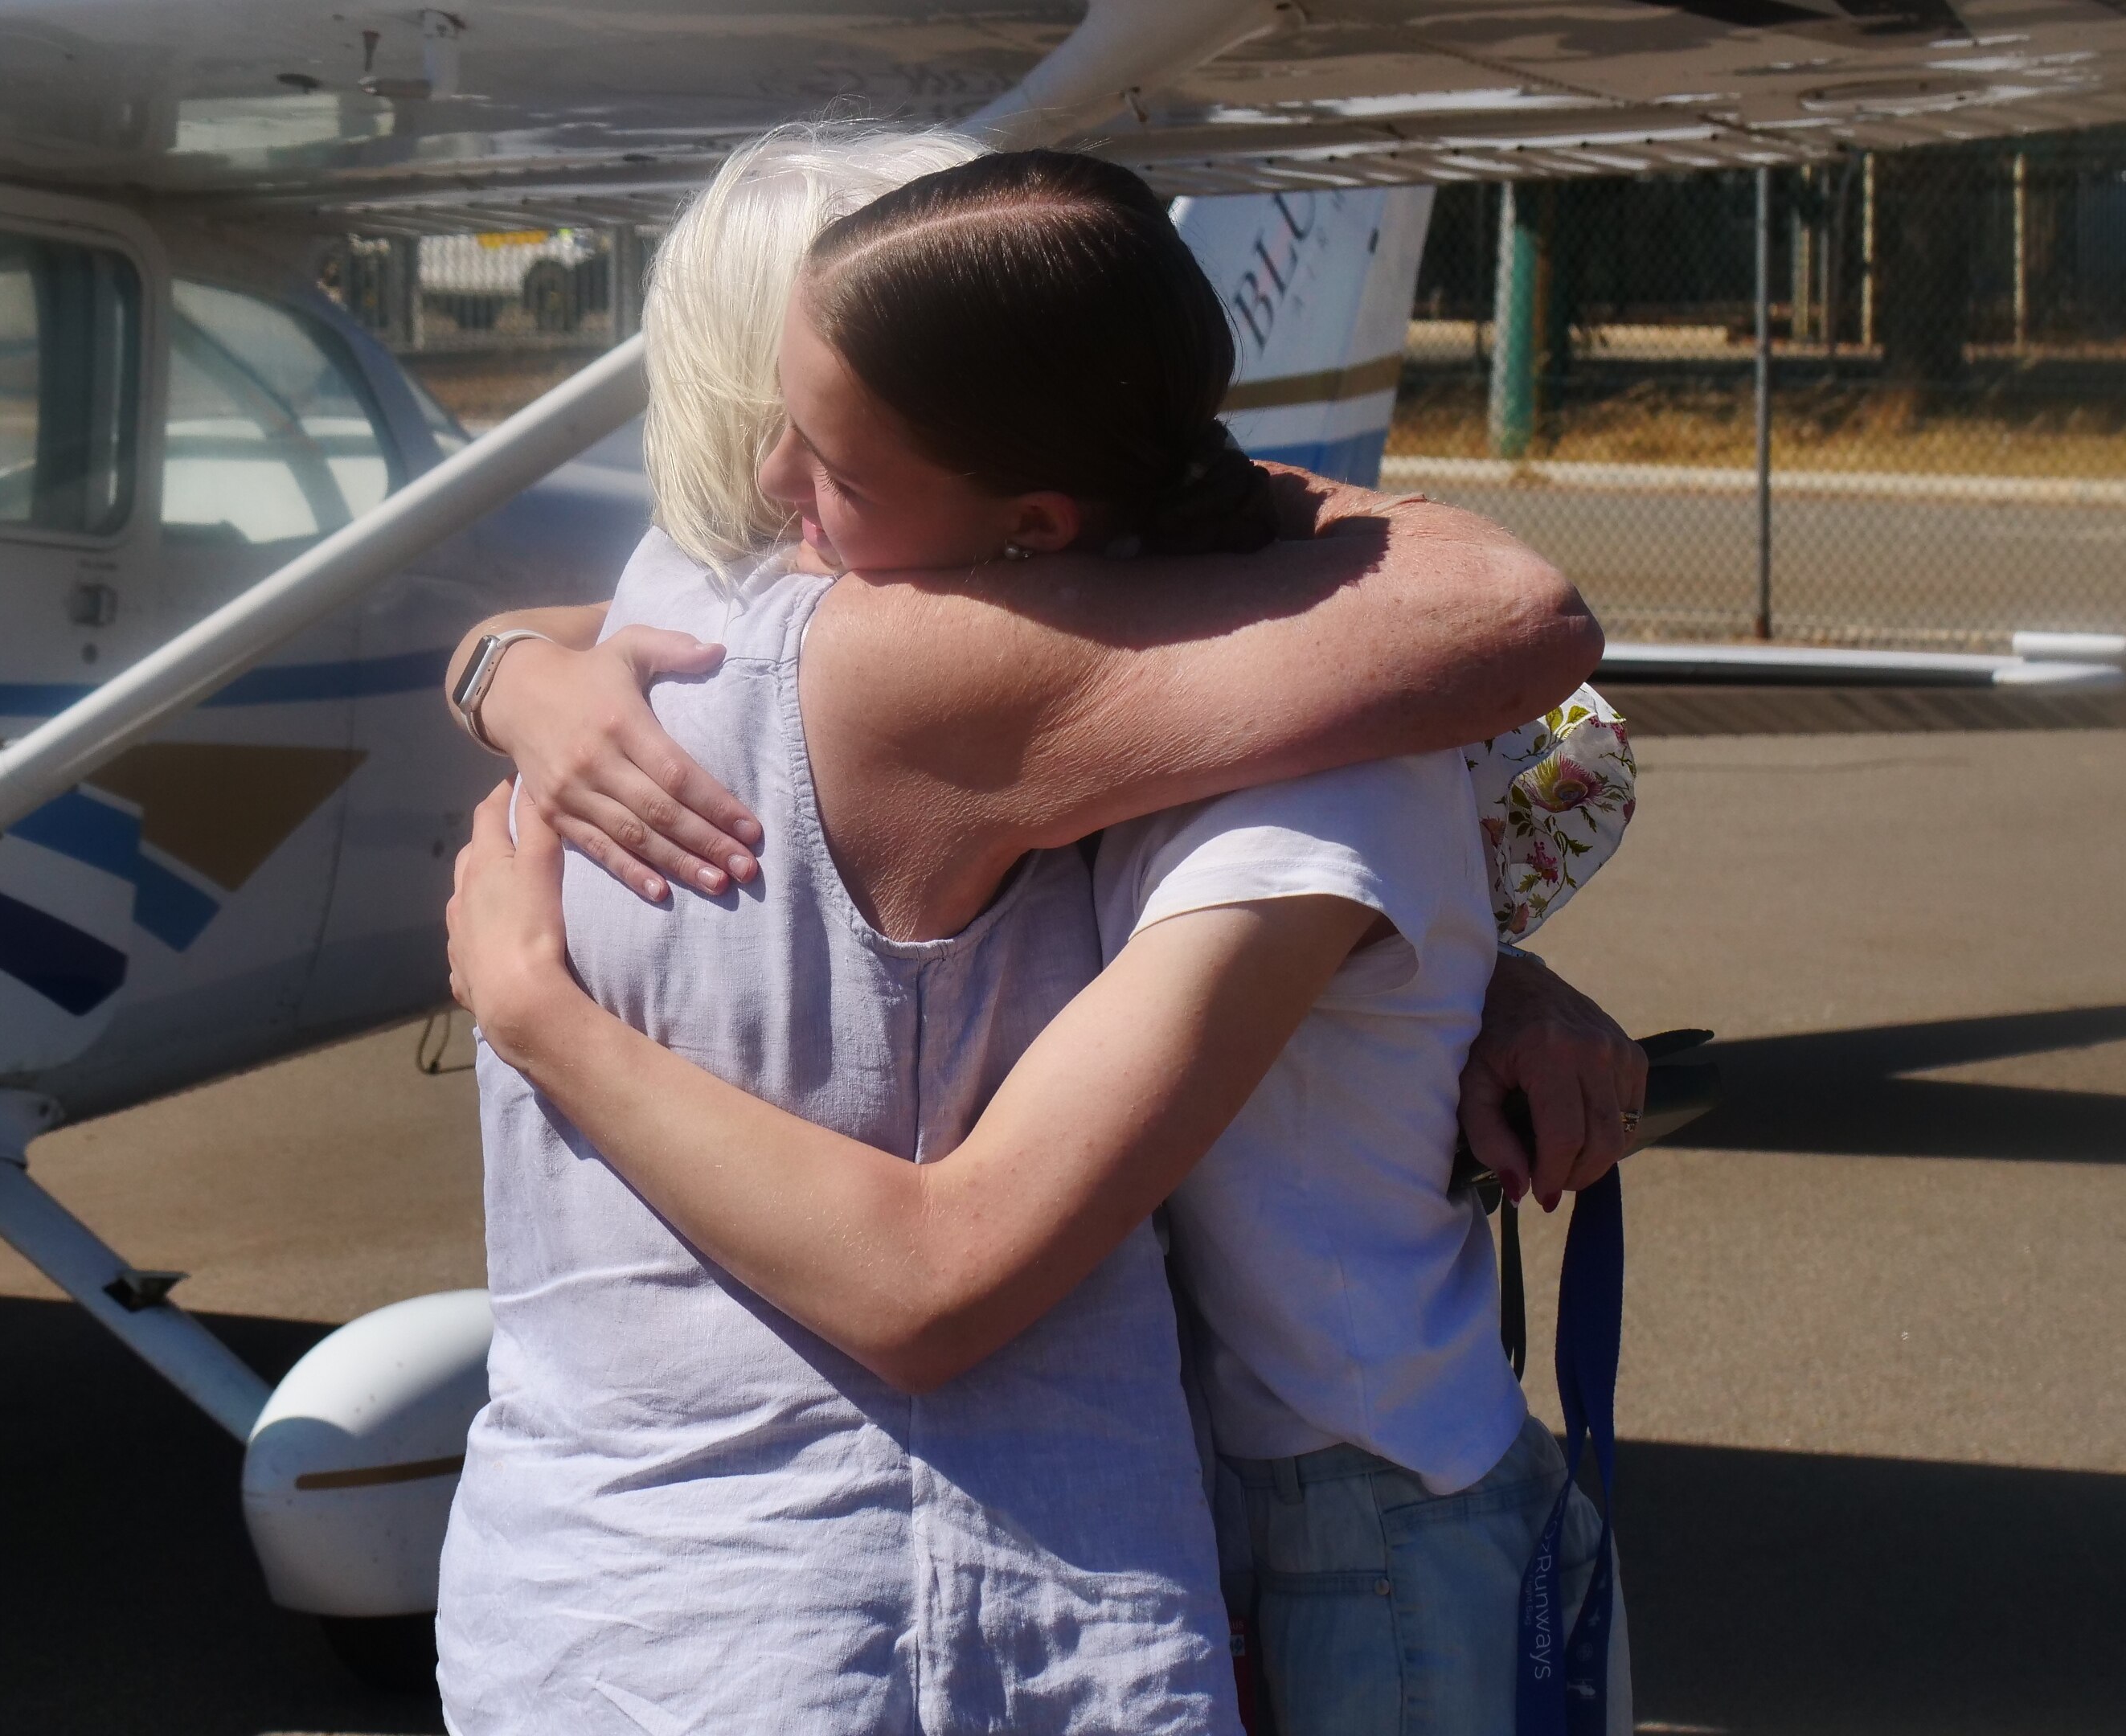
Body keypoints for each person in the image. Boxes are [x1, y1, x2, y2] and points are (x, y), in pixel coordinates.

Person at [443, 137, 1638, 1734]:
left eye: (836, 458)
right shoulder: (859, 640)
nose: (786, 489)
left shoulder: (868, 658)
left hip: (689, 1607)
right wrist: (503, 665)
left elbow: (937, 1275)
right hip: (1011, 1581)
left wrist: (539, 1008)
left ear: (1034, 519)